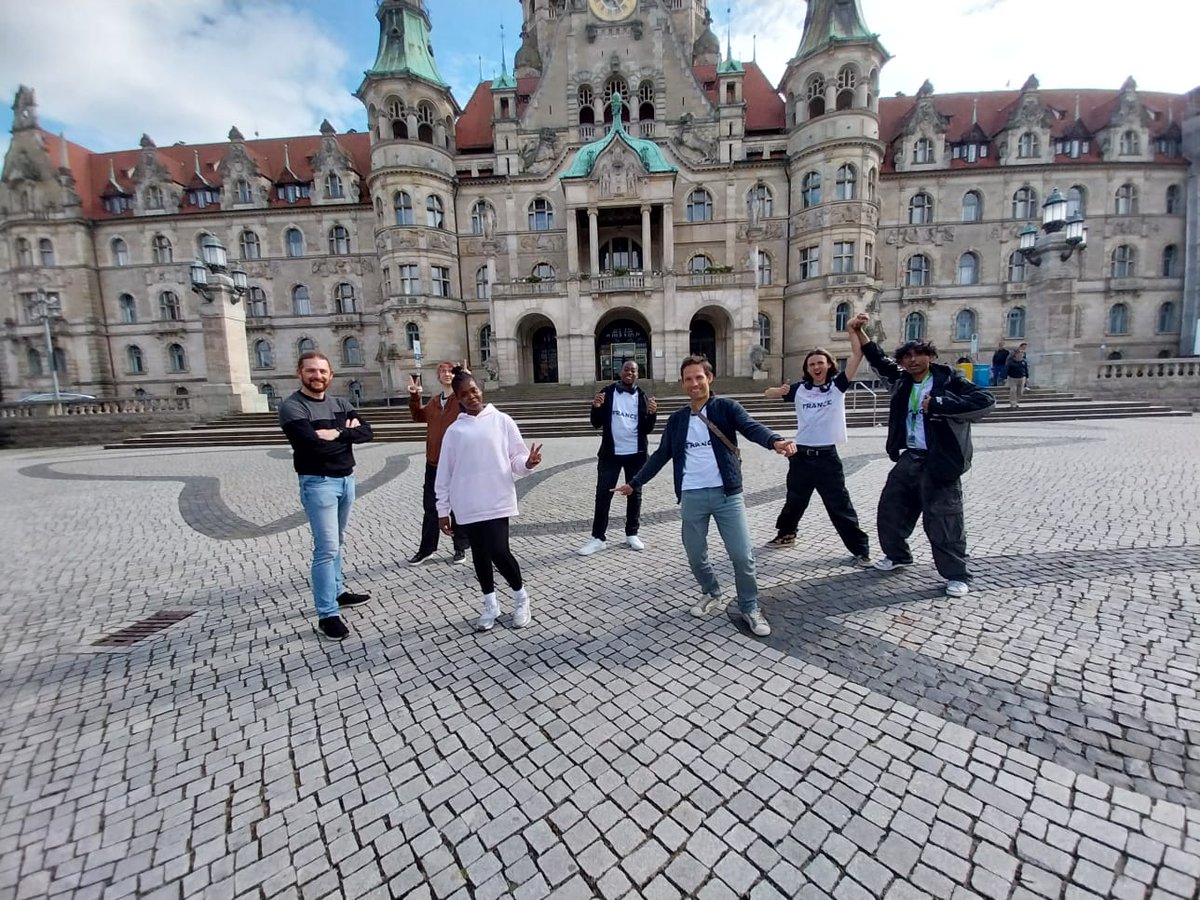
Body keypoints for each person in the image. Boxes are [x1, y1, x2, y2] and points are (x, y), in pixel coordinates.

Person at [615, 355, 795, 637]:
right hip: (692, 495)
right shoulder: (677, 419)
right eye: (688, 379)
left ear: (709, 378)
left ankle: (749, 605)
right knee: (695, 555)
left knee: (742, 556)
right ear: (683, 383)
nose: (694, 383)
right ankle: (711, 592)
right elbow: (661, 455)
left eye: (699, 377)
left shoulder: (726, 408)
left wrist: (775, 441)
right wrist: (634, 483)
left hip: (727, 495)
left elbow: (750, 427)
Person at [848, 315, 994, 598]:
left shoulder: (949, 379)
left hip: (940, 460)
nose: (913, 360)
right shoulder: (902, 380)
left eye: (919, 354)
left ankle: (956, 574)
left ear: (930, 356)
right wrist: (860, 331)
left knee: (944, 520)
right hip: (910, 456)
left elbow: (985, 401)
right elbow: (877, 359)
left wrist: (940, 403)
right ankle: (898, 555)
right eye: (907, 356)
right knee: (891, 509)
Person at [436, 367, 543, 631]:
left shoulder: (502, 421)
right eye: (464, 394)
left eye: (474, 390)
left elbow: (516, 459)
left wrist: (528, 462)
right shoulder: (454, 431)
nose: (471, 396)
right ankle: (490, 603)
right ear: (458, 399)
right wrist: (442, 509)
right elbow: (444, 473)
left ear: (480, 389)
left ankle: (521, 598)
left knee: (499, 551)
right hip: (467, 504)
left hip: (496, 498)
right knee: (480, 556)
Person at [278, 351, 375, 641]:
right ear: (299, 373)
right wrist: (343, 433)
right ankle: (327, 613)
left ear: (330, 375)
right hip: (318, 483)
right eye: (311, 371)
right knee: (326, 548)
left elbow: (368, 433)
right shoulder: (292, 407)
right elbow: (309, 446)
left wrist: (333, 434)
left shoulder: (341, 403)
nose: (317, 376)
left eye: (322, 371)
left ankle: (337, 590)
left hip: (346, 480)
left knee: (338, 542)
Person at [762, 343, 871, 566]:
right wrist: (779, 391)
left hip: (827, 457)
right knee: (795, 499)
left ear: (829, 364)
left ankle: (861, 550)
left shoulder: (837, 386)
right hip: (801, 456)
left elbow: (857, 356)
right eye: (812, 364)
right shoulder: (800, 389)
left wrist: (855, 332)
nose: (816, 367)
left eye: (820, 362)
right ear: (807, 368)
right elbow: (767, 394)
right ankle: (786, 534)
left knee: (839, 505)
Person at [577, 359, 658, 556]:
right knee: (603, 495)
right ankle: (598, 538)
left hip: (636, 454)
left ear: (638, 375)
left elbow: (647, 429)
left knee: (635, 495)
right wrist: (595, 407)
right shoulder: (607, 392)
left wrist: (652, 415)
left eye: (634, 370)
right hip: (610, 455)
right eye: (626, 369)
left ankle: (632, 533)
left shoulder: (642, 396)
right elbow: (596, 423)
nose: (630, 373)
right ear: (620, 372)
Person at [407, 360, 471, 566]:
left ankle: (460, 547)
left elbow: (474, 406)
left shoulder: (461, 401)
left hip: (456, 464)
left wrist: (467, 380)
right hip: (433, 463)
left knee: (458, 506)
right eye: (442, 371)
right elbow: (417, 416)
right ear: (437, 376)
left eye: (450, 371)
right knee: (430, 507)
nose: (446, 373)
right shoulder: (434, 402)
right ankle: (427, 549)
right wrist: (415, 396)